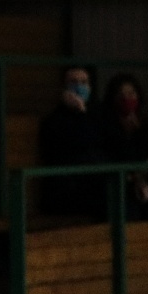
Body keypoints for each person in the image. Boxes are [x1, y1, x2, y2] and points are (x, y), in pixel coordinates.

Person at [101, 73, 148, 220]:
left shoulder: (145, 125)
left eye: (131, 94)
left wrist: (139, 132)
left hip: (144, 175)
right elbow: (114, 156)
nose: (126, 99)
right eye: (121, 95)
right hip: (120, 178)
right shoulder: (106, 125)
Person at [38, 66, 106, 220]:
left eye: (84, 82)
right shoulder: (53, 121)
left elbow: (100, 145)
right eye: (73, 82)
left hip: (93, 183)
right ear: (64, 88)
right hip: (67, 186)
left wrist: (83, 113)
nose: (79, 86)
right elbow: (82, 143)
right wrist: (80, 113)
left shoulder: (97, 116)